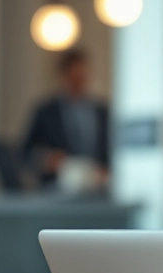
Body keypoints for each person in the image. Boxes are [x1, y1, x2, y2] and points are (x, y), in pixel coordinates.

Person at [22, 48, 110, 189]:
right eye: (73, 78)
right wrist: (45, 160)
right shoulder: (46, 111)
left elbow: (111, 149)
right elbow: (24, 152)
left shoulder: (103, 111)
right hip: (56, 188)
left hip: (97, 187)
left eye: (82, 77)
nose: (78, 83)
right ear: (63, 76)